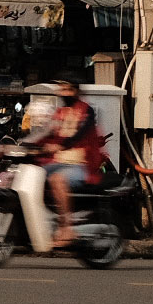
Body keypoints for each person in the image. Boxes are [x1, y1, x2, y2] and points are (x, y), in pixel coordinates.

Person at [24, 77, 104, 247]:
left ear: (76, 91)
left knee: (57, 179)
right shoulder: (60, 112)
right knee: (33, 174)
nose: (64, 93)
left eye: (68, 89)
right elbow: (45, 131)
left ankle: (66, 227)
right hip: (58, 161)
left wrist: (59, 145)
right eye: (62, 89)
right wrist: (24, 144)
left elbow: (80, 134)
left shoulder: (86, 111)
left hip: (82, 165)